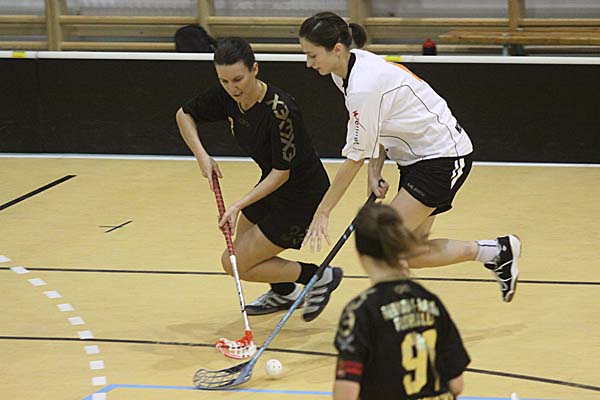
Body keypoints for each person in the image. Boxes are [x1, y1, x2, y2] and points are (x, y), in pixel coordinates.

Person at [298, 12, 521, 305]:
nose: (308, 63)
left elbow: (354, 158)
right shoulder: (346, 71)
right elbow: (375, 126)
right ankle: (496, 252)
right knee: (409, 252)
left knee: (385, 243)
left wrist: (323, 211)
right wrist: (374, 171)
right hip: (415, 160)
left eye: (312, 55)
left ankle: (398, 311)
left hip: (442, 156)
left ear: (336, 49)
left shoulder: (363, 85)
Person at [175, 37, 341, 321]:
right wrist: (202, 156)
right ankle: (284, 292)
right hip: (273, 185)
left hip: (302, 195)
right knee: (245, 250)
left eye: (238, 79)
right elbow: (184, 114)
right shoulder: (227, 95)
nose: (232, 88)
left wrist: (237, 205)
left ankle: (319, 276)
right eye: (224, 81)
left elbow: (282, 173)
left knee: (234, 262)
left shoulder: (280, 111)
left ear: (254, 69)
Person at [333, 203, 470, 400]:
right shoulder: (431, 302)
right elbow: (456, 385)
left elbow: (345, 394)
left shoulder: (360, 312)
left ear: (361, 255)